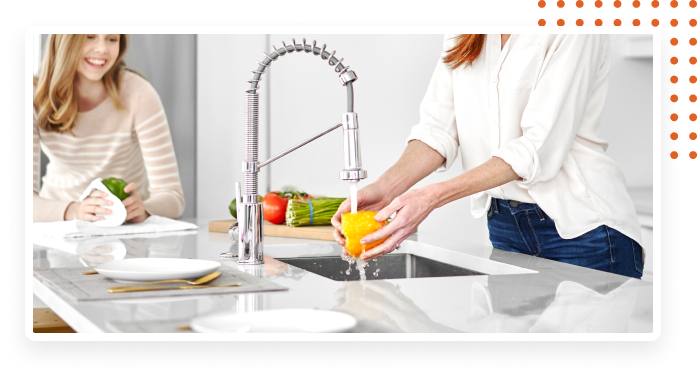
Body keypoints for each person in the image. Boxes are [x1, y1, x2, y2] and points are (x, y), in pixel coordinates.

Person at [331, 34, 644, 279]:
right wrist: (387, 189)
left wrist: (429, 198)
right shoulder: (465, 30)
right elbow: (438, 130)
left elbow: (537, 147)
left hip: (582, 229)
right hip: (505, 225)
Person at [33, 34, 185, 223]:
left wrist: (144, 208)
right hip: (59, 230)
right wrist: (76, 211)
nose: (102, 49)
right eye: (89, 37)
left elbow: (173, 196)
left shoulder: (139, 94)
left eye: (112, 39)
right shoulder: (32, 97)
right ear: (66, 39)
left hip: (123, 231)